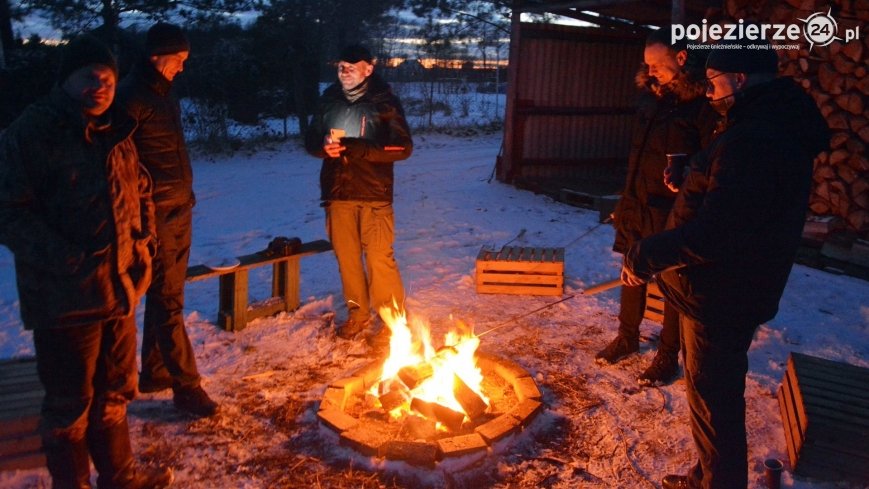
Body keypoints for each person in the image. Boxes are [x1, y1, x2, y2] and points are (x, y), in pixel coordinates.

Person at [622, 38, 829, 489]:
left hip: (721, 294)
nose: (711, 92)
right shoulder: (761, 123)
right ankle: (707, 475)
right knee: (712, 398)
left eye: (715, 82)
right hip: (731, 288)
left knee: (714, 404)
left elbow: (721, 231)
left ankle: (719, 482)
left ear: (738, 78)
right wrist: (693, 172)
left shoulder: (756, 137)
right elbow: (735, 198)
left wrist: (649, 252)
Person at [0, 35, 173, 488]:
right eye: (89, 77)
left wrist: (145, 247)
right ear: (66, 80)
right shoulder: (33, 132)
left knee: (115, 393)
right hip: (65, 299)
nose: (100, 85)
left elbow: (141, 191)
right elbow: (9, 212)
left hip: (120, 291)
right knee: (69, 405)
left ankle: (122, 478)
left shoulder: (117, 130)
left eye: (109, 78)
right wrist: (69, 260)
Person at [597, 27, 717, 386]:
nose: (650, 72)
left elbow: (709, 162)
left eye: (657, 65)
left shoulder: (701, 105)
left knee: (671, 283)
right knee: (631, 273)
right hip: (637, 202)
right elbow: (639, 154)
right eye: (646, 65)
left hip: (672, 211)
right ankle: (627, 338)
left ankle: (668, 355)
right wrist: (626, 198)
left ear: (682, 58)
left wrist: (685, 176)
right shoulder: (651, 99)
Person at [116, 23, 218, 417]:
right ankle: (187, 388)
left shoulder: (163, 96)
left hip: (178, 210)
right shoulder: (130, 99)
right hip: (154, 216)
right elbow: (119, 165)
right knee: (169, 301)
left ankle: (156, 372)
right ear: (158, 55)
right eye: (179, 60)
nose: (182, 68)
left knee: (166, 297)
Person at [304, 44, 413, 339]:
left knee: (379, 259)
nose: (345, 71)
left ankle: (393, 322)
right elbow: (311, 138)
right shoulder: (329, 99)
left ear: (369, 68)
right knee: (347, 259)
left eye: (352, 67)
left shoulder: (384, 102)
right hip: (338, 192)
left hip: (374, 194)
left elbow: (403, 148)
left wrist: (361, 148)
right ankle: (357, 313)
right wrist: (321, 147)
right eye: (341, 66)